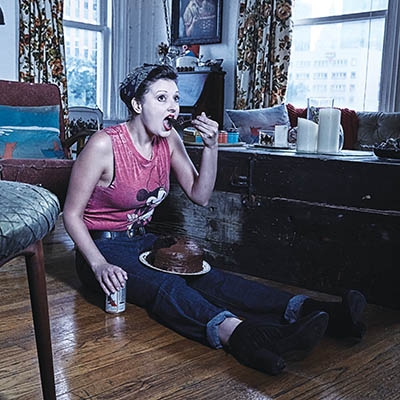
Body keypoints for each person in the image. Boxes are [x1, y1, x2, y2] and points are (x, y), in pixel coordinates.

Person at [63, 64, 367, 376]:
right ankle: (244, 336)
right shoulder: (104, 144)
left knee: (210, 277)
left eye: (176, 99)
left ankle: (316, 311)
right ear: (137, 105)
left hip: (142, 240)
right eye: (161, 98)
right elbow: (71, 215)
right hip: (101, 250)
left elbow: (201, 194)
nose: (173, 107)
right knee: (166, 285)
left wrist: (211, 147)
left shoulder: (169, 141)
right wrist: (99, 265)